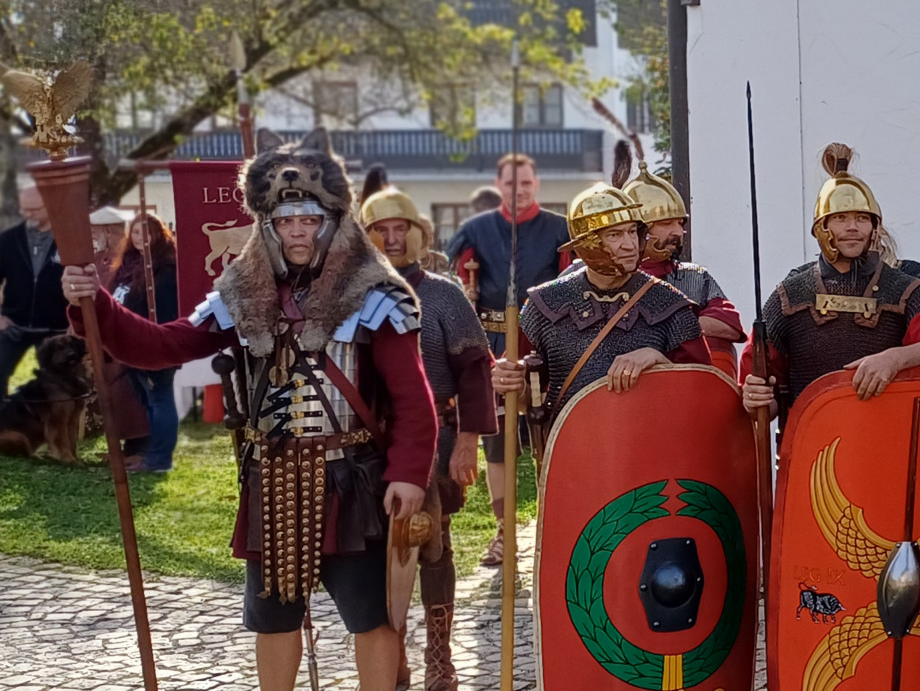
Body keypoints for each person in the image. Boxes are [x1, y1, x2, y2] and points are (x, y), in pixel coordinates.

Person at [61, 129, 435, 691]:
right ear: (267, 225)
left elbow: (414, 400)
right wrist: (94, 303)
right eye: (285, 222)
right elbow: (163, 346)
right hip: (274, 479)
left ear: (332, 221)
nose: (297, 232)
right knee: (273, 616)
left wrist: (407, 473)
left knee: (372, 614)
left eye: (308, 220)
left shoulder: (376, 295)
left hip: (352, 480)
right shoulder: (243, 290)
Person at [360, 183, 493, 691]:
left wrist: (466, 443)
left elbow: (475, 371)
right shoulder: (352, 293)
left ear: (417, 233)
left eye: (401, 229)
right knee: (371, 549)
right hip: (365, 444)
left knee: (431, 546)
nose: (392, 239)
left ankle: (440, 656)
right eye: (381, 230)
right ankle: (390, 657)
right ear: (366, 237)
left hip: (434, 437)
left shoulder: (442, 293)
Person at [740, 143, 920, 421]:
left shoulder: (907, 290)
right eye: (840, 218)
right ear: (822, 228)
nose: (852, 227)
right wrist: (754, 397)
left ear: (873, 227)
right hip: (813, 445)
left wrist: (894, 359)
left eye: (861, 218)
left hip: (887, 437)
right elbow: (762, 391)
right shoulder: (790, 296)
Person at [491, 184, 708, 432]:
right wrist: (513, 385)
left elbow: (701, 393)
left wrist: (659, 361)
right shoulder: (545, 304)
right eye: (614, 235)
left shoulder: (670, 304)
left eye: (631, 232)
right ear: (587, 244)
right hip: (574, 448)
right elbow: (529, 399)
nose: (629, 244)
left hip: (650, 452)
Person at [444, 153, 567, 566]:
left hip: (545, 343)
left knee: (552, 436)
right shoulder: (475, 231)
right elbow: (463, 291)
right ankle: (505, 533)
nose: (520, 192)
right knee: (497, 446)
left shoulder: (558, 230)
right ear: (500, 185)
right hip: (492, 343)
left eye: (527, 184)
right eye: (512, 185)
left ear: (537, 184)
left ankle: (559, 527)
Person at [623, 169, 746, 369]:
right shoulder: (596, 278)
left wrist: (665, 333)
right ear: (637, 229)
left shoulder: (694, 277)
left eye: (680, 223)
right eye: (666, 223)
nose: (678, 232)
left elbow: (729, 325)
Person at [108, 214, 180, 472]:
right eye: (136, 233)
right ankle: (150, 455)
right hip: (127, 344)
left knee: (159, 399)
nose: (140, 239)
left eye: (146, 233)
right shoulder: (128, 264)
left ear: (158, 234)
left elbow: (167, 310)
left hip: (152, 344)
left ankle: (160, 460)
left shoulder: (165, 267)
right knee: (147, 400)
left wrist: (156, 343)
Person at [0, 184, 67, 381]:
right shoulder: (8, 240)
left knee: (58, 385)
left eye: (34, 209)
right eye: (25, 209)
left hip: (57, 328)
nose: (28, 214)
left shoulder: (68, 239)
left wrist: (75, 321)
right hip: (14, 326)